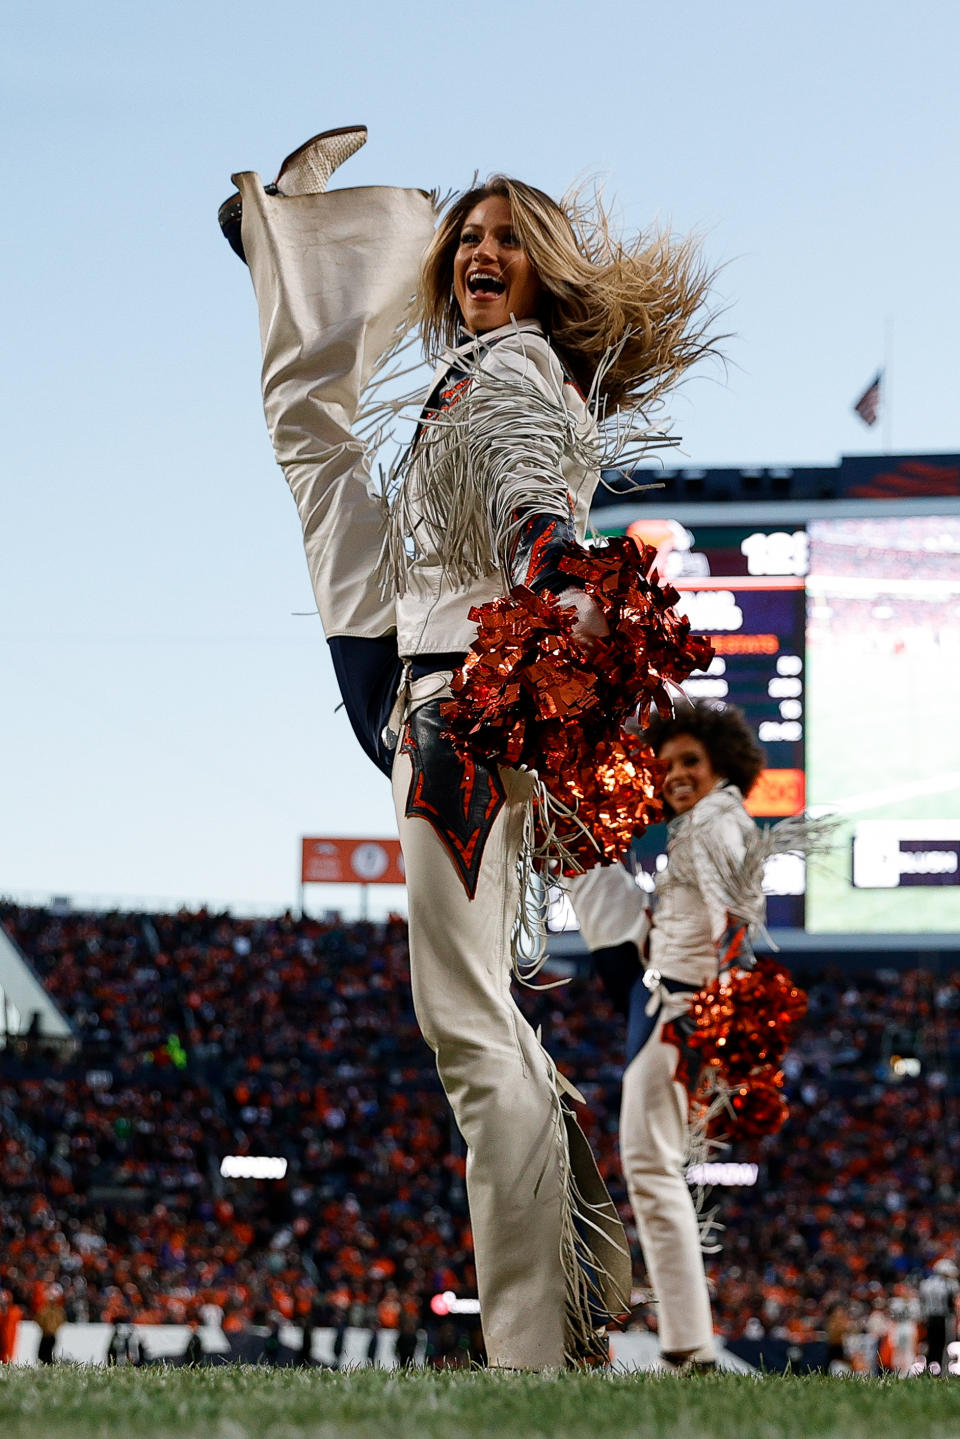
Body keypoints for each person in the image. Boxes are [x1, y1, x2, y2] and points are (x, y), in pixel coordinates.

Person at [219, 126, 713, 1370]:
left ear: (543, 272)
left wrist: (550, 550)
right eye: (470, 237)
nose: (484, 251)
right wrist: (289, 267)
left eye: (509, 239)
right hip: (442, 692)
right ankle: (578, 1290)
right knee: (311, 433)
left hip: (462, 712)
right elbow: (331, 443)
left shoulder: (515, 370)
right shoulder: (480, 367)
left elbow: (528, 483)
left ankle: (536, 1350)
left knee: (469, 1026)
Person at [569, 701, 769, 1371]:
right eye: (668, 762)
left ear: (722, 766)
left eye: (692, 761)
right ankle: (689, 1342)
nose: (677, 772)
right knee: (591, 867)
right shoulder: (712, 820)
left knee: (652, 1168)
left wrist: (705, 1005)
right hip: (669, 990)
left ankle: (688, 1343)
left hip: (678, 1004)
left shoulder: (717, 820)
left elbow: (721, 919)